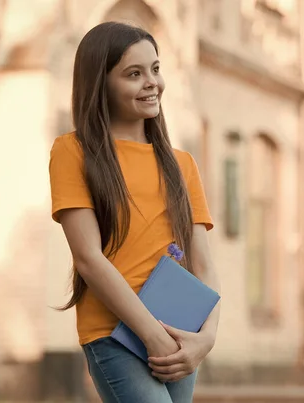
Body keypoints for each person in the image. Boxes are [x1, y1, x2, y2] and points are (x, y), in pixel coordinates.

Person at [48, 21, 220, 402]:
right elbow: (89, 258)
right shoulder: (72, 152)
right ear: (101, 82)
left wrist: (204, 340)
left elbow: (203, 263)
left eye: (155, 69)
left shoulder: (182, 163)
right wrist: (152, 335)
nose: (151, 82)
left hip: (180, 333)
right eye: (134, 73)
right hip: (115, 334)